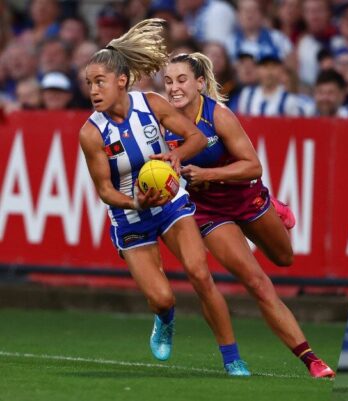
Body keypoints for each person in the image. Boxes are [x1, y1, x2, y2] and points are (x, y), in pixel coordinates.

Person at [78, 18, 250, 376]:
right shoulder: (91, 133)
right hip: (131, 215)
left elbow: (197, 138)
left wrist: (175, 156)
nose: (93, 91)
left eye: (100, 82)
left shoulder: (152, 104)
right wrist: (136, 202)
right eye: (89, 84)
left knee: (200, 275)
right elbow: (105, 190)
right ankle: (165, 319)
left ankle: (232, 358)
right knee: (162, 297)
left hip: (171, 203)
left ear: (121, 80)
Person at [162, 52, 334, 378]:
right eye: (168, 81)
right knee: (258, 283)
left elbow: (254, 166)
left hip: (246, 196)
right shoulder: (162, 119)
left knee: (284, 258)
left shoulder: (219, 116)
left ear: (200, 83)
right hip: (209, 211)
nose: (174, 88)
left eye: (181, 80)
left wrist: (208, 175)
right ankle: (312, 360)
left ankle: (275, 206)